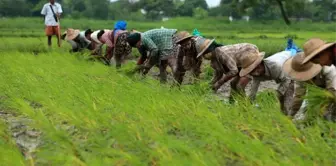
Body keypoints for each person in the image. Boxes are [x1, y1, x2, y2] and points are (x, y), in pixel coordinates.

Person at [198, 42, 264, 103]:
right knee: (233, 83)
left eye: (205, 53)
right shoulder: (214, 60)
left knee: (239, 86)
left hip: (249, 57)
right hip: (240, 64)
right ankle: (231, 103)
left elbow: (234, 71)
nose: (204, 56)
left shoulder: (222, 53)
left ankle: (245, 106)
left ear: (211, 50)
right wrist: (210, 85)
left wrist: (219, 83)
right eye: (203, 55)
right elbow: (218, 73)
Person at [283, 52, 336, 120]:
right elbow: (299, 96)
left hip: (332, 90)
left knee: (329, 116)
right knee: (309, 115)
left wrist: (323, 110)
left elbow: (332, 93)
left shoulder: (328, 69)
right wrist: (291, 116)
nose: (304, 77)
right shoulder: (299, 77)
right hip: (316, 91)